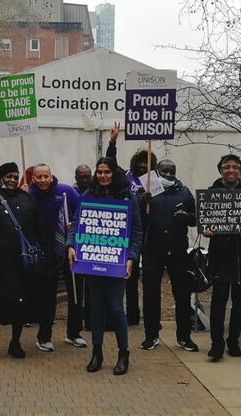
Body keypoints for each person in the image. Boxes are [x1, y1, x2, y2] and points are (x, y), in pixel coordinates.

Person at [68, 157, 142, 375]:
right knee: (96, 308)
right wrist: (71, 245)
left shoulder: (127, 196)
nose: (102, 176)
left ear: (114, 173)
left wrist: (131, 257)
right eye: (99, 172)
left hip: (117, 261)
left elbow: (137, 231)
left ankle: (123, 353)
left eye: (106, 172)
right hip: (92, 260)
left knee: (116, 307)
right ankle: (97, 352)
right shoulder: (88, 195)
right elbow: (75, 225)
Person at [0, 162, 50, 361]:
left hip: (20, 265)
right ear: (1, 178)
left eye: (15, 177)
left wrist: (41, 253)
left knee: (19, 305)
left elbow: (39, 229)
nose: (13, 180)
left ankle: (15, 342)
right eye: (9, 177)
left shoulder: (29, 200)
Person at [203, 154, 241, 362]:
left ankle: (233, 341)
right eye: (227, 167)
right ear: (220, 170)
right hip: (221, 256)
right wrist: (206, 230)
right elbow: (203, 221)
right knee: (218, 302)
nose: (231, 171)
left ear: (240, 171)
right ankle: (216, 344)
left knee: (239, 304)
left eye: (235, 167)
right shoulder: (211, 194)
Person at [140, 159, 198, 352]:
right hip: (152, 249)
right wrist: (142, 201)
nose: (168, 175)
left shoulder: (183, 192)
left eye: (171, 172)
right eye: (164, 171)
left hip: (178, 250)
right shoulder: (147, 191)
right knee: (150, 294)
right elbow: (135, 217)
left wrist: (187, 217)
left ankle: (184, 336)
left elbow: (196, 218)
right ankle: (151, 335)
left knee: (182, 294)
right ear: (157, 172)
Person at [27, 163, 83, 350]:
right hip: (46, 253)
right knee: (47, 297)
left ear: (51, 177)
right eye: (39, 177)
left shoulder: (66, 192)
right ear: (33, 179)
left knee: (75, 292)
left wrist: (74, 224)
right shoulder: (30, 197)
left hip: (68, 248)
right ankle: (44, 337)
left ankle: (73, 334)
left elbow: (83, 211)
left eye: (46, 176)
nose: (43, 180)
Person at [105, 122, 152, 325]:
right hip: (124, 231)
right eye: (139, 163)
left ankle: (137, 314)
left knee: (142, 277)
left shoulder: (155, 180)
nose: (142, 167)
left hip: (147, 232)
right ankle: (123, 313)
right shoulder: (125, 177)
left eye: (146, 164)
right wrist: (113, 141)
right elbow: (111, 164)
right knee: (126, 275)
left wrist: (151, 201)